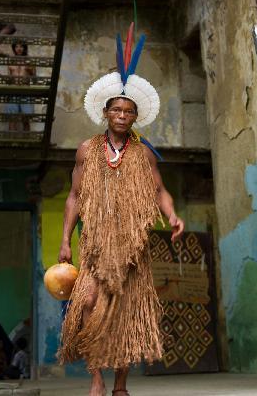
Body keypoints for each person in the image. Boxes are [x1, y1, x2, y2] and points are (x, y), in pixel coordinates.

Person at [58, 34, 184, 396]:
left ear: (135, 117)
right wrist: (66, 239)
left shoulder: (143, 155)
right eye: (116, 110)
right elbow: (74, 196)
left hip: (133, 248)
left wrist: (172, 215)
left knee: (129, 315)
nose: (122, 116)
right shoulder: (87, 150)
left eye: (128, 112)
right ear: (106, 113)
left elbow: (160, 190)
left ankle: (121, 386)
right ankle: (96, 377)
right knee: (88, 303)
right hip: (96, 245)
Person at [6, 41, 35, 132]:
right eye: (17, 46)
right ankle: (11, 144)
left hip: (26, 91)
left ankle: (26, 144)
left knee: (26, 120)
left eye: (21, 46)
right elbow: (9, 80)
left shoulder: (29, 61)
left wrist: (29, 69)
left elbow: (34, 78)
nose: (19, 48)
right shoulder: (10, 61)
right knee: (12, 120)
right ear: (14, 48)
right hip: (13, 91)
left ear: (24, 48)